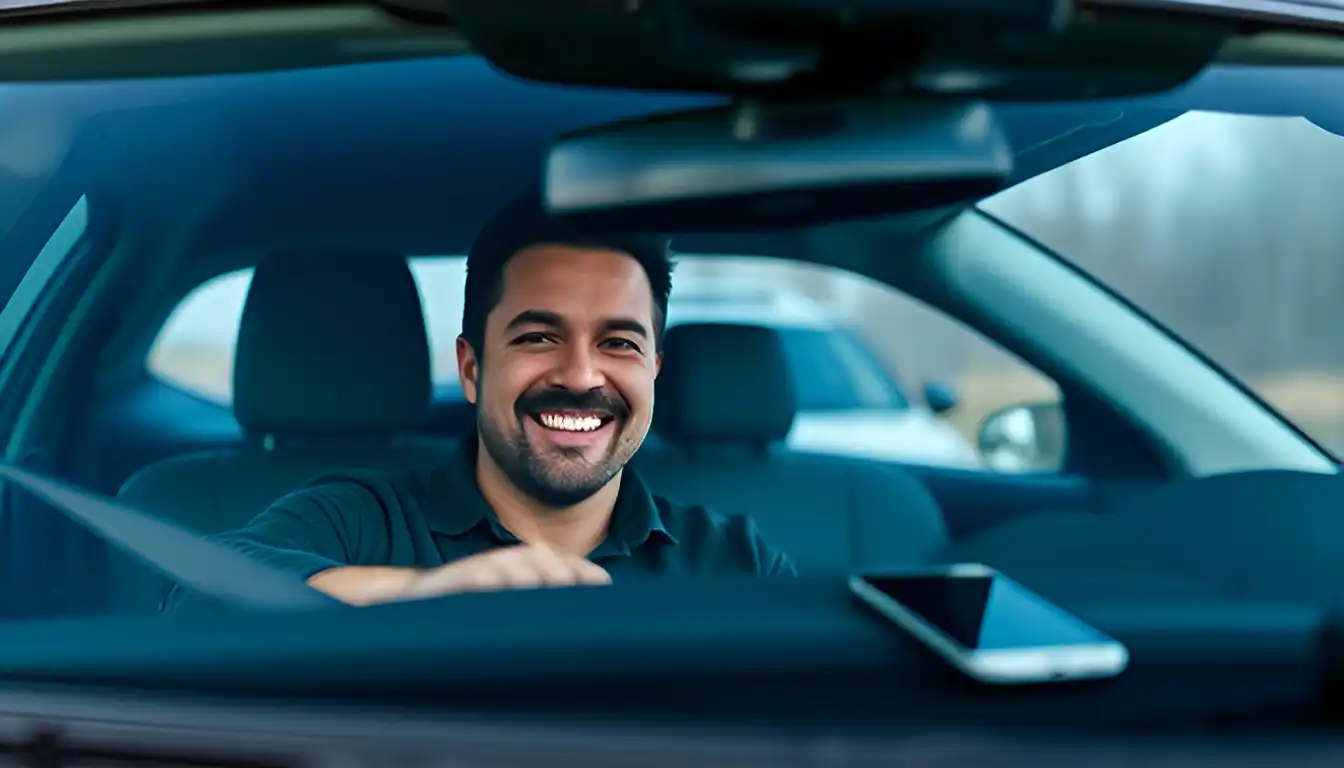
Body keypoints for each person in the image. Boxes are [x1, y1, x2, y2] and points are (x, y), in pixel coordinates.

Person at [160, 195, 796, 613]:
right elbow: (197, 595)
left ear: (654, 373)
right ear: (471, 368)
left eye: (618, 342)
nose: (579, 374)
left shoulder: (736, 561)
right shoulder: (359, 521)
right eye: (538, 337)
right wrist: (425, 595)